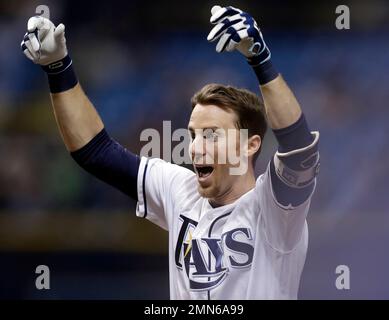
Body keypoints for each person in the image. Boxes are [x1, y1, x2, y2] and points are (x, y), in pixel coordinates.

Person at [21, 5, 320, 299]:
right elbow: (95, 151)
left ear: (250, 144)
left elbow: (299, 150)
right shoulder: (181, 190)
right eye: (193, 135)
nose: (196, 147)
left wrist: (260, 57)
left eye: (212, 135)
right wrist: (58, 67)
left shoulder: (275, 209)